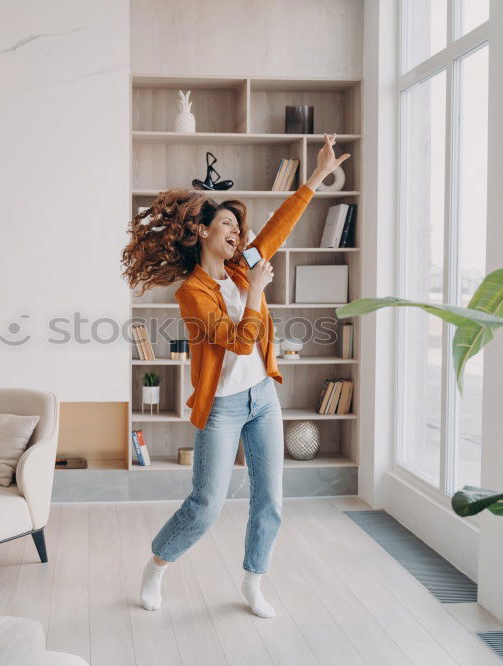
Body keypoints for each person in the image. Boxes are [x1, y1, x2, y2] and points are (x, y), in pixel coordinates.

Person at [120, 134, 350, 618]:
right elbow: (239, 340)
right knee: (206, 504)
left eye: (239, 228)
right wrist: (259, 295)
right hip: (222, 407)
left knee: (270, 500)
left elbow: (278, 228)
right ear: (203, 232)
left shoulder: (243, 268)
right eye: (227, 224)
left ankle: (253, 581)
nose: (238, 234)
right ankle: (158, 565)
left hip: (262, 397)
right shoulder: (193, 293)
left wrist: (316, 176)